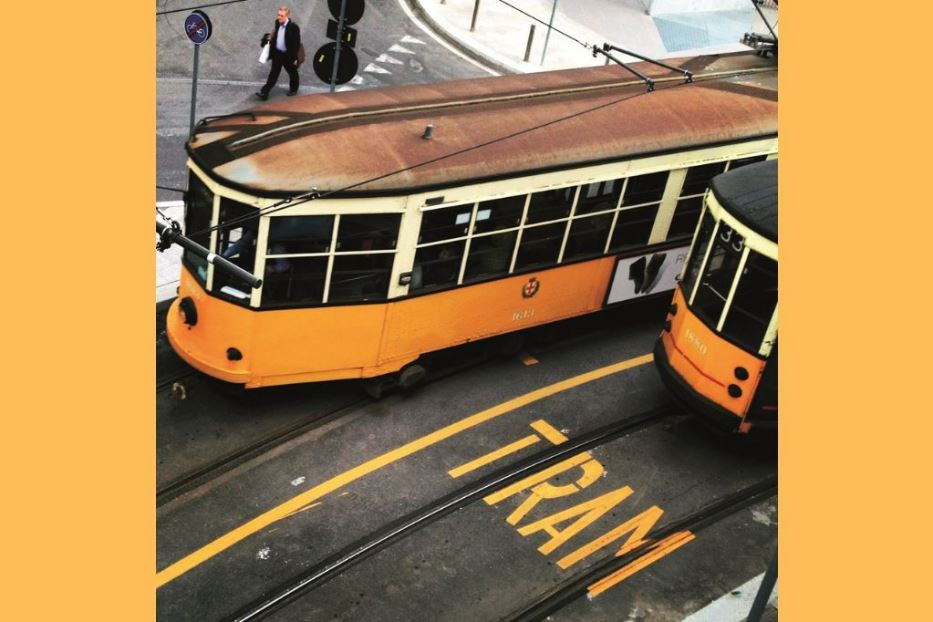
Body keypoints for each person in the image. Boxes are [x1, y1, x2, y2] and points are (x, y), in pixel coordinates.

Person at [256, 6, 301, 100]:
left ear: (287, 15)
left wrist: (294, 58)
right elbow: (276, 34)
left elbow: (296, 44)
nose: (279, 17)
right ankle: (264, 93)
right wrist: (270, 38)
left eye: (282, 16)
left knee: (292, 73)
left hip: (288, 55)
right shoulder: (277, 23)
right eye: (278, 15)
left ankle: (293, 89)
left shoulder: (293, 27)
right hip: (277, 54)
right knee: (273, 74)